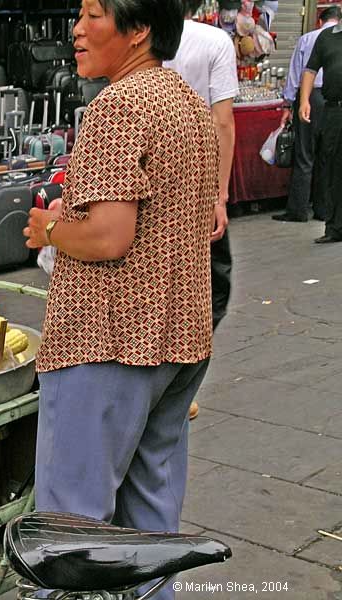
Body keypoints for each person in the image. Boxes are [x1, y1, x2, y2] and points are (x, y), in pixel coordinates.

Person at [24, 3, 216, 599]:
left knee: (72, 535)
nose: (77, 30)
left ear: (138, 30)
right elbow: (189, 216)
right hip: (179, 336)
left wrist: (50, 230)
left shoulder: (118, 104)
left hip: (107, 342)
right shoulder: (185, 101)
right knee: (150, 530)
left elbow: (109, 236)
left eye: (94, 15)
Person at [164, 0, 237, 421]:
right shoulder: (214, 41)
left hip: (152, 184)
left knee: (161, 285)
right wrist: (218, 195)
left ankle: (168, 385)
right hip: (195, 186)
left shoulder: (135, 35)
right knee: (211, 289)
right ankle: (179, 385)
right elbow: (222, 122)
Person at [273, 6, 340, 223]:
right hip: (331, 100)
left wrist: (288, 104)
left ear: (319, 21)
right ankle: (323, 210)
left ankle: (298, 209)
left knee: (304, 155)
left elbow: (297, 73)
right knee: (326, 156)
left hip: (309, 97)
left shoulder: (307, 38)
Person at [302, 14, 342, 244]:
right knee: (332, 167)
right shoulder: (326, 37)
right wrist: (305, 99)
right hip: (334, 111)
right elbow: (310, 70)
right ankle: (334, 227)